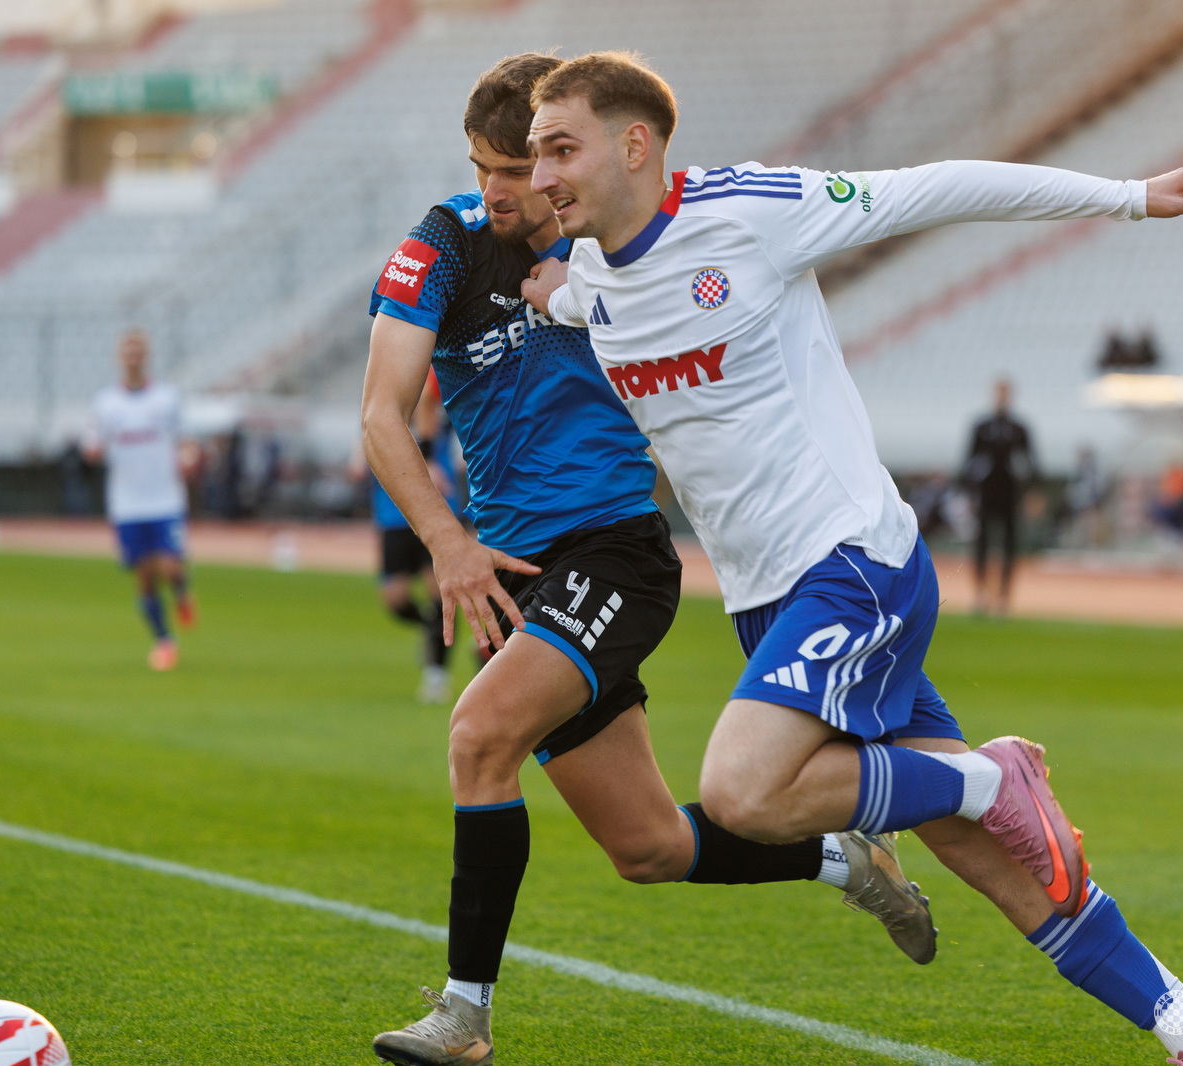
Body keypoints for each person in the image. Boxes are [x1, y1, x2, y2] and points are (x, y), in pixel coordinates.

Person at [522, 51, 1183, 1066]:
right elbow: (591, 301)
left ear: (635, 143)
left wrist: (1132, 198)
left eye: (560, 149)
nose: (541, 177)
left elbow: (941, 185)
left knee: (742, 792)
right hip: (766, 598)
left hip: (852, 558)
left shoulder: (750, 213)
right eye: (531, 159)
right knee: (999, 864)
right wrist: (549, 296)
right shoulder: (594, 277)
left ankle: (985, 776)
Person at [360, 53, 936, 1066]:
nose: (501, 188)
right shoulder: (444, 243)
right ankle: (843, 860)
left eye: (518, 165)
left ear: (558, 158)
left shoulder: (618, 245)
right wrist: (446, 541)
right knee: (651, 848)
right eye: (483, 166)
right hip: (512, 570)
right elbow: (380, 411)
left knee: (479, 733)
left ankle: (463, 1017)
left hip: (615, 553)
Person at [84, 329, 196, 671]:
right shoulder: (106, 403)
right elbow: (92, 446)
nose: (132, 358)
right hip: (126, 502)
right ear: (120, 358)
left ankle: (181, 591)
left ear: (146, 356)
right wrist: (93, 451)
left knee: (170, 565)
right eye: (127, 352)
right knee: (145, 574)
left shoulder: (166, 398)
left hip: (164, 499)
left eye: (138, 351)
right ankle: (164, 641)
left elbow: (185, 440)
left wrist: (188, 458)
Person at [352, 368, 455, 703]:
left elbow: (428, 401)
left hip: (432, 503)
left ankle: (436, 675)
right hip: (391, 511)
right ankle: (429, 630)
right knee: (394, 598)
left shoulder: (432, 386)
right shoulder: (384, 391)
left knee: (438, 589)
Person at [963, 378, 1033, 616]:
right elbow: (970, 460)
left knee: (1009, 544)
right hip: (986, 492)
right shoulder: (982, 427)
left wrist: (1033, 491)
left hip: (1010, 492)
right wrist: (969, 492)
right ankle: (981, 592)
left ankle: (1004, 595)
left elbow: (1030, 461)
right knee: (982, 542)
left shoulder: (1019, 428)